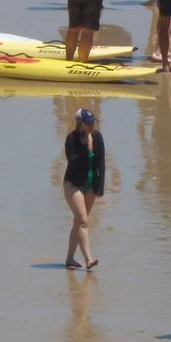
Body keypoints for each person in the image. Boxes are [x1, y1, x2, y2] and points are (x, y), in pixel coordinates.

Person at [62, 108, 104, 270]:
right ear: (80, 123)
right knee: (83, 221)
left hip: (91, 184)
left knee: (78, 222)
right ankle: (88, 259)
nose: (92, 126)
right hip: (73, 184)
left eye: (93, 122)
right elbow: (73, 162)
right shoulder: (71, 140)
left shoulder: (98, 137)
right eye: (88, 123)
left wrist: (100, 187)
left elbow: (101, 163)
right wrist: (86, 148)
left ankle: (70, 258)